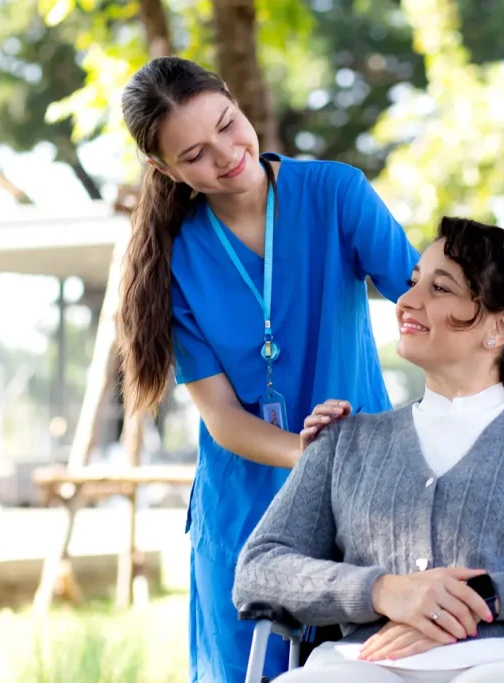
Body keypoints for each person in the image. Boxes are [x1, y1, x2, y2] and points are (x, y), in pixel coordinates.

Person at [234, 217, 504, 683]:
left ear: (500, 327)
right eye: (413, 282)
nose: (406, 302)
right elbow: (259, 568)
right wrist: (383, 591)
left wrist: (486, 595)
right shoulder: (343, 442)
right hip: (362, 663)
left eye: (439, 289)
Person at [117, 56, 419, 683]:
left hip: (359, 503)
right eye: (195, 154)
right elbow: (222, 417)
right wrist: (306, 451)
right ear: (163, 170)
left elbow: (423, 303)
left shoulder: (335, 193)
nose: (227, 154)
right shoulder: (173, 259)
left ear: (234, 99)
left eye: (228, 124)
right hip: (244, 516)